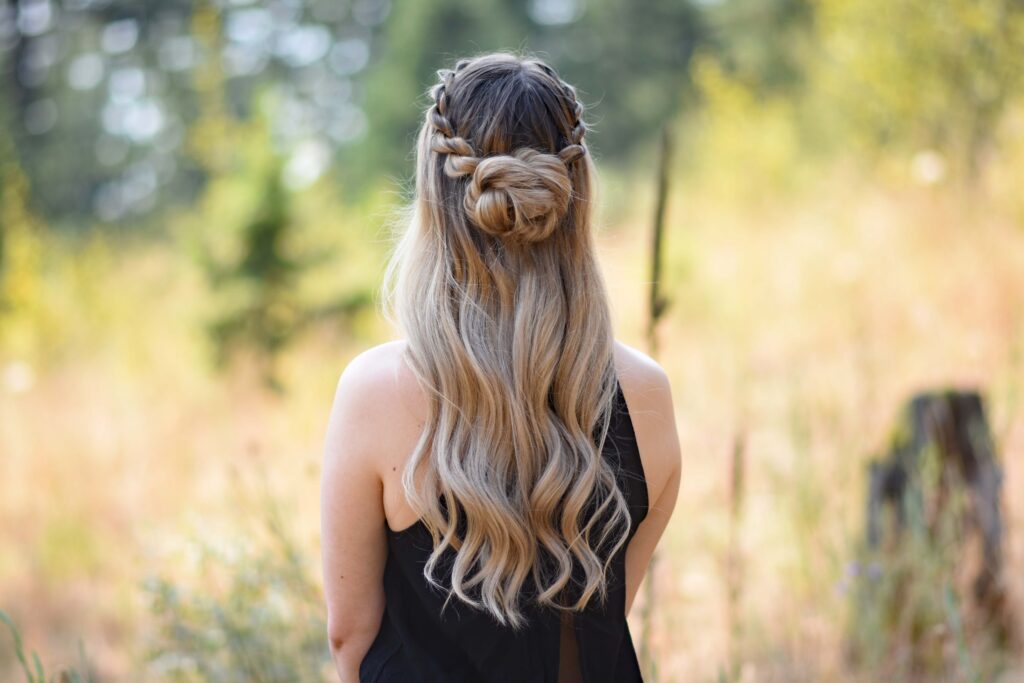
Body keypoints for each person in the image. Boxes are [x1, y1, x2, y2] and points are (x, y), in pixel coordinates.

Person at [320, 53, 682, 683]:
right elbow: (601, 627)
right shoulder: (646, 395)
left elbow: (349, 636)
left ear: (436, 197)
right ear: (574, 194)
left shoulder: (376, 393)